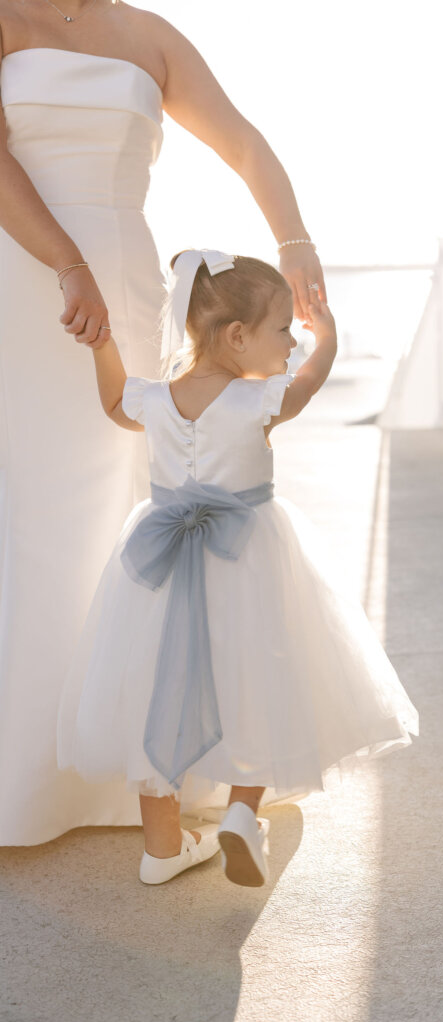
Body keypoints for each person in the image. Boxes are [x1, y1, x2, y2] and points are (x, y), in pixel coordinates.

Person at [0, 0, 326, 845]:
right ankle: (27, 776)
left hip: (125, 278)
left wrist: (293, 241)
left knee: (127, 506)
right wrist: (65, 261)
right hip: (27, 269)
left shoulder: (148, 35)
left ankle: (147, 765)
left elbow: (243, 143)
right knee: (25, 512)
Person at [57, 250, 419, 886]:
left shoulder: (158, 399)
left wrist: (103, 345)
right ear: (237, 336)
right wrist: (329, 335)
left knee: (158, 688)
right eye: (283, 329)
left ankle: (162, 849)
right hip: (246, 555)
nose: (293, 340)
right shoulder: (260, 401)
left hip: (162, 560)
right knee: (259, 680)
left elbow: (116, 402)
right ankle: (241, 816)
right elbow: (310, 380)